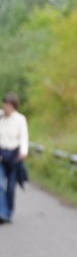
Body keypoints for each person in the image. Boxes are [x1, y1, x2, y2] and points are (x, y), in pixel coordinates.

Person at [0, 92, 29, 222]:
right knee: (0, 185)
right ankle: (3, 212)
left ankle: (9, 212)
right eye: (5, 104)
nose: (7, 107)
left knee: (10, 188)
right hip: (1, 154)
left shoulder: (20, 119)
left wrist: (23, 152)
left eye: (9, 105)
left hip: (14, 156)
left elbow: (23, 137)